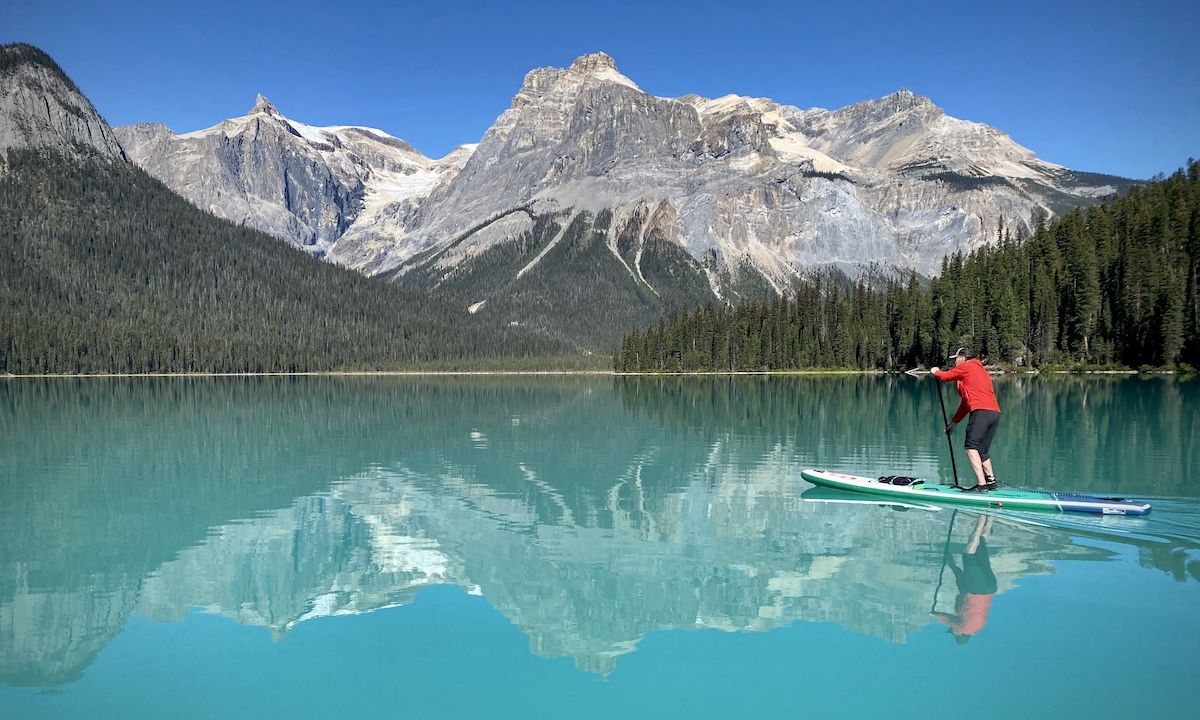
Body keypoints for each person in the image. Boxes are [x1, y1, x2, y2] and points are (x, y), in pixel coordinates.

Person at [930, 347, 1000, 492]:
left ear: (962, 358)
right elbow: (965, 404)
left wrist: (935, 371)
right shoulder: (978, 370)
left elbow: (944, 377)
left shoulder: (967, 366)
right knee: (981, 450)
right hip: (994, 413)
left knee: (970, 448)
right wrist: (954, 422)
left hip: (980, 411)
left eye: (956, 358)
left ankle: (982, 485)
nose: (955, 361)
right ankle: (991, 481)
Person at [932, 514, 997, 644]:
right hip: (978, 589)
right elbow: (947, 619)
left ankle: (990, 516)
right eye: (953, 631)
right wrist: (934, 614)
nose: (952, 629)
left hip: (990, 588)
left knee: (981, 545)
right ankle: (981, 517)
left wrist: (950, 562)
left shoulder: (973, 621)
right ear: (959, 634)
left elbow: (960, 577)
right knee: (968, 554)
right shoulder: (964, 628)